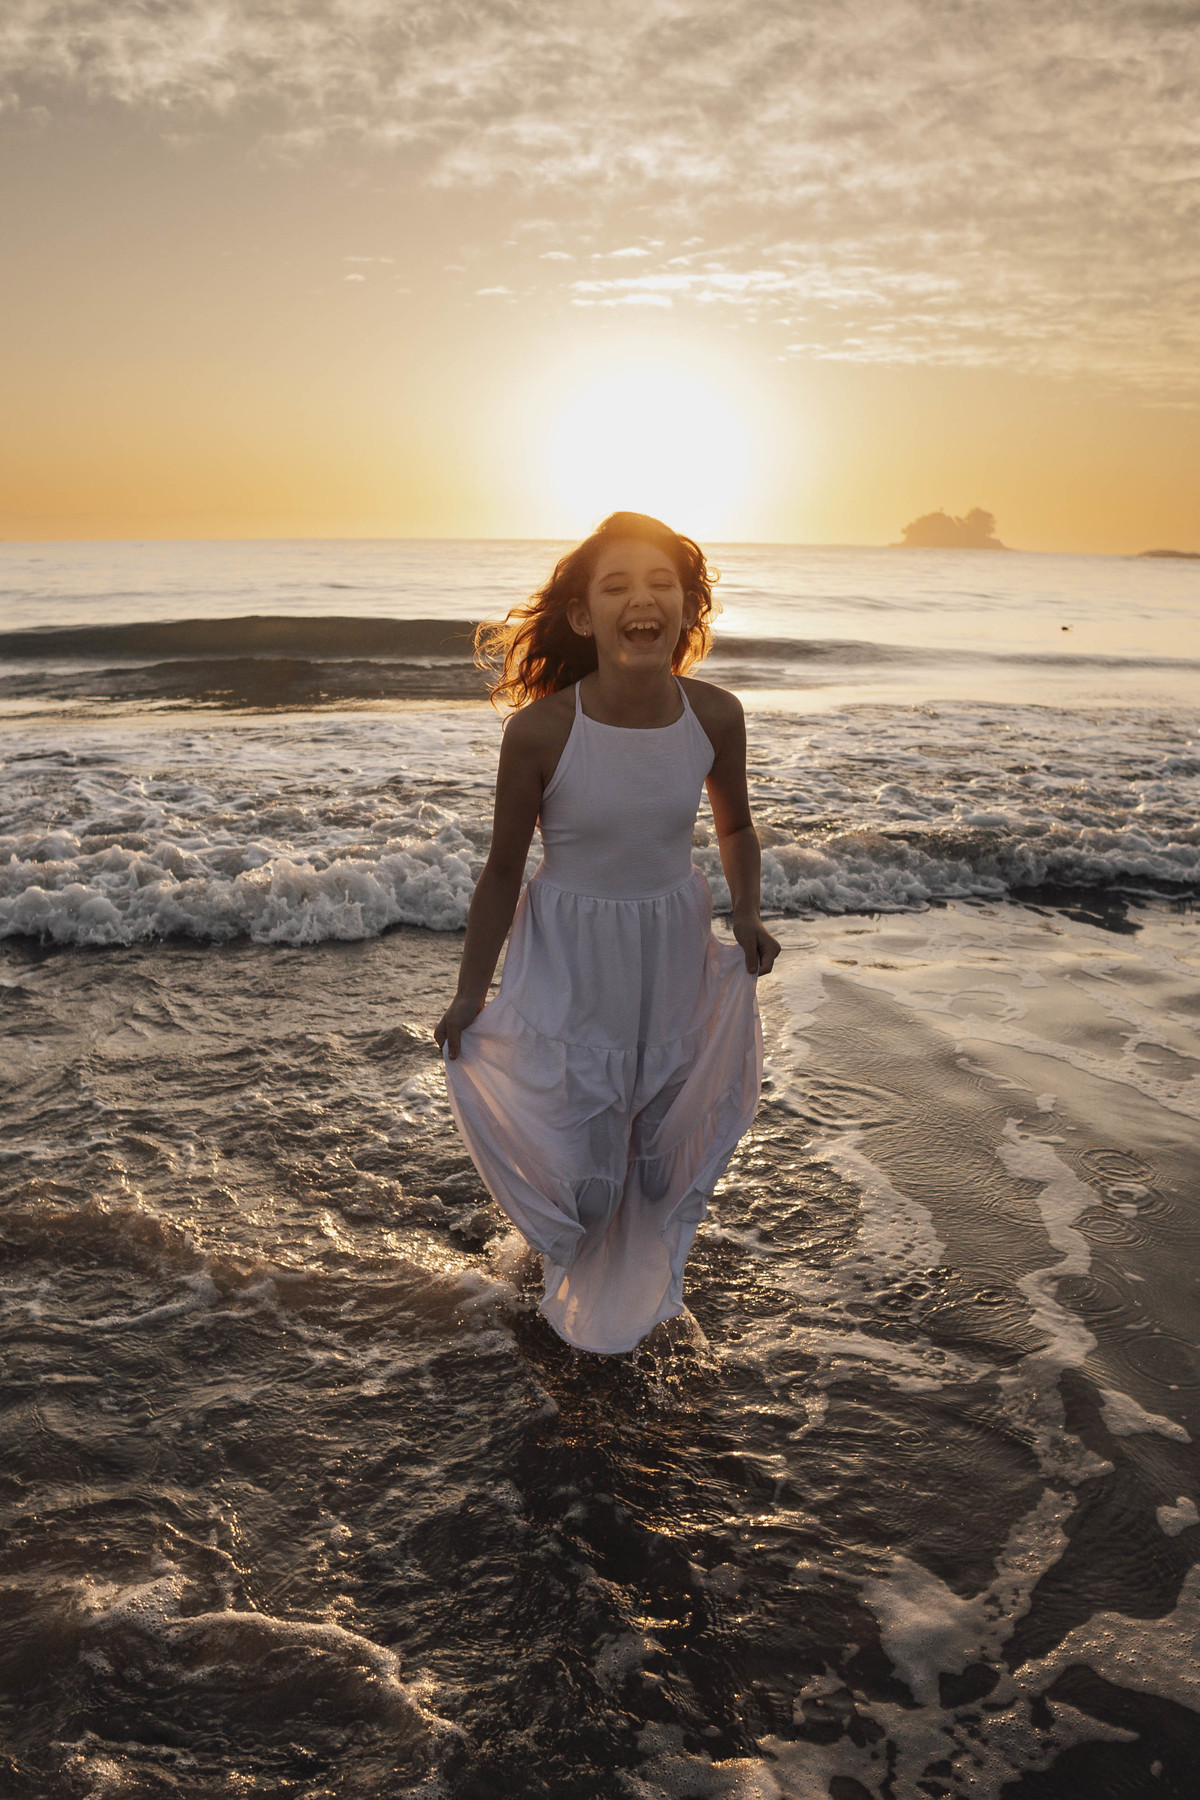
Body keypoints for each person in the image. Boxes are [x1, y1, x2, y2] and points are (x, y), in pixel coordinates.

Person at [435, 511, 780, 1355]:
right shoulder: (543, 732)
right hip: (573, 960)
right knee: (586, 1192)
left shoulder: (716, 716)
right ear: (585, 616)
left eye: (662, 583)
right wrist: (469, 993)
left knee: (661, 1166)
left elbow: (734, 829)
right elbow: (502, 871)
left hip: (669, 950)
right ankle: (541, 1248)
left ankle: (635, 1278)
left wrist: (746, 911)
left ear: (687, 609)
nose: (643, 599)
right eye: (619, 585)